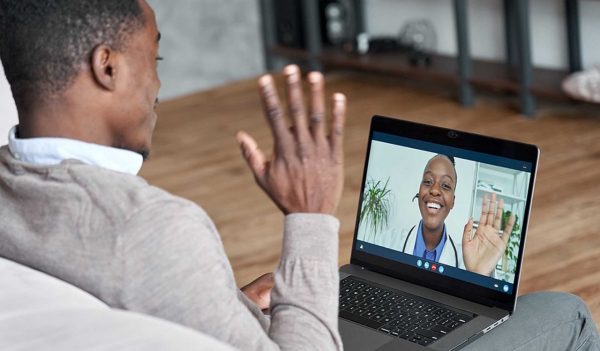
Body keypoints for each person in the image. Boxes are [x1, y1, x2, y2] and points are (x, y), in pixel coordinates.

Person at [0, 1, 598, 350]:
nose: (158, 84)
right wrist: (310, 216)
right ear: (106, 66)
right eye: (152, 59)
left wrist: (227, 305)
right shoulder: (155, 230)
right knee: (562, 311)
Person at [390, 154, 514, 277]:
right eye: (428, 181)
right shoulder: (388, 240)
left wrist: (478, 276)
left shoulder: (467, 261)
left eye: (445, 185)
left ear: (452, 202)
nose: (435, 190)